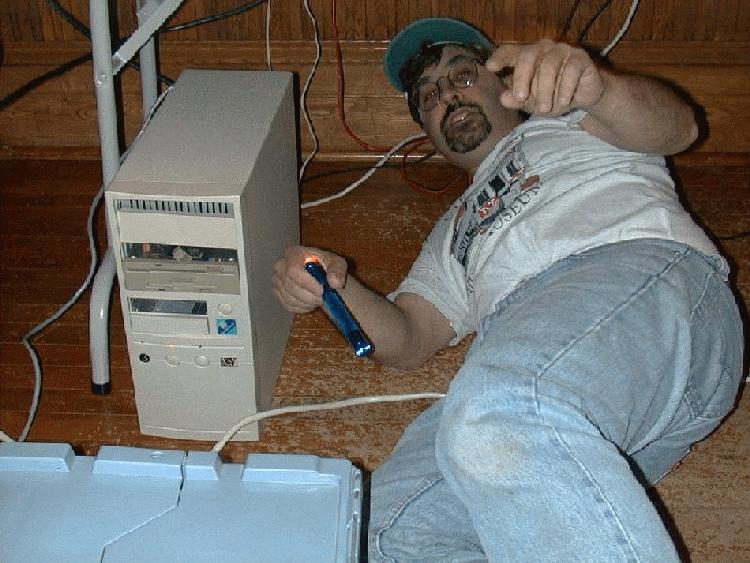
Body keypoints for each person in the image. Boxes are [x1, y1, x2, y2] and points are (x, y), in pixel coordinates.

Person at [273, 17, 744, 562]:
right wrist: (336, 286)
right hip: (586, 396)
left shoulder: (575, 122)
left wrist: (598, 89)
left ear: (507, 85)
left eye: (462, 75)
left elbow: (679, 127)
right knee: (379, 533)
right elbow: (407, 340)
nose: (446, 95)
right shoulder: (452, 233)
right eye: (428, 95)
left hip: (645, 288)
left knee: (497, 410)